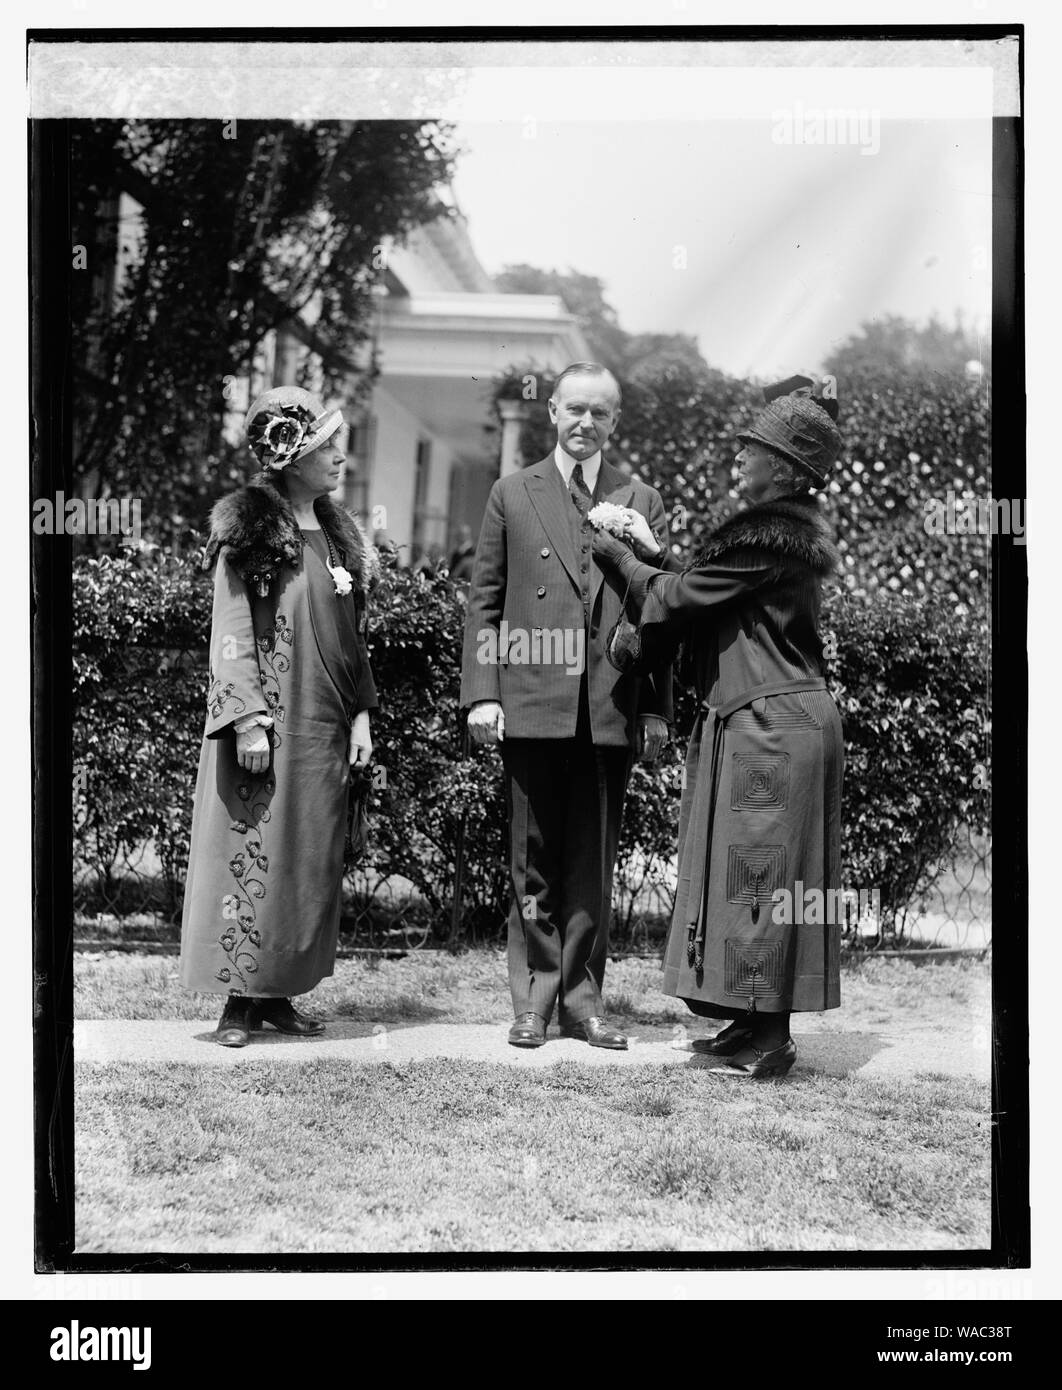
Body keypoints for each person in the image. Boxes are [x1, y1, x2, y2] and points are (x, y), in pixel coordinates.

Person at [592, 384, 844, 1078]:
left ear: (786, 472)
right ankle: (748, 1019)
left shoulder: (774, 539)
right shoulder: (772, 540)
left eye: (754, 453)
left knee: (761, 879)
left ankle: (772, 1038)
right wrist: (654, 550)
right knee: (746, 878)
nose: (741, 462)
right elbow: (704, 586)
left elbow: (676, 599)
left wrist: (619, 557)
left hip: (775, 724)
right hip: (763, 720)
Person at [460, 362, 672, 1050]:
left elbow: (658, 609)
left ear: (616, 422)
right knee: (532, 860)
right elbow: (485, 605)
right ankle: (533, 1001)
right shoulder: (511, 493)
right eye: (575, 410)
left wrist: (653, 709)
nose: (586, 424)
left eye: (601, 414)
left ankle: (584, 1003)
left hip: (609, 706)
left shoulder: (641, 498)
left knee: (592, 863)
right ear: (551, 411)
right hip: (530, 702)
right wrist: (483, 695)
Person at [179, 386, 378, 1047]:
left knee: (305, 859)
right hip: (268, 725)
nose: (341, 459)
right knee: (251, 853)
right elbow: (231, 627)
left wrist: (360, 718)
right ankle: (238, 1002)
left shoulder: (341, 538)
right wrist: (246, 720)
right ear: (293, 458)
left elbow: (354, 637)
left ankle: (277, 995)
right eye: (328, 448)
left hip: (322, 727)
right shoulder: (251, 534)